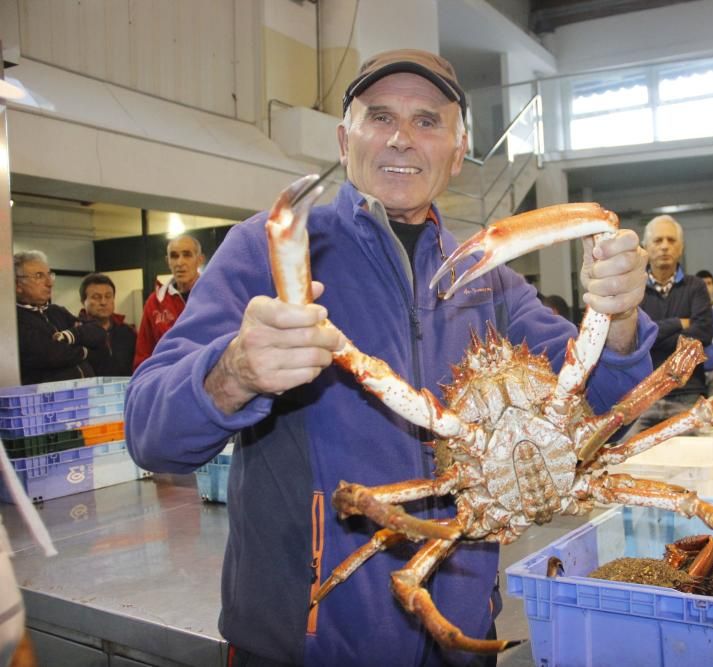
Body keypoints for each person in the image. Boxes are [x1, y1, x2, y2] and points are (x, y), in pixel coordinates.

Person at [125, 49, 653, 667]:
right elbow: (149, 433)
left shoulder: (492, 280)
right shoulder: (269, 252)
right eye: (380, 117)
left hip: (460, 639)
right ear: (345, 139)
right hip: (301, 640)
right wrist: (231, 372)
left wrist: (618, 320)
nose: (402, 138)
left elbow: (600, 404)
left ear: (458, 152)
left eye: (428, 121)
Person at [630, 215, 713, 432]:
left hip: (688, 393)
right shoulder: (634, 290)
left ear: (681, 247)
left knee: (693, 463)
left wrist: (653, 336)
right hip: (644, 395)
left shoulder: (695, 287)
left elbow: (703, 334)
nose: (665, 246)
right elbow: (635, 337)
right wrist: (679, 323)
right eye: (658, 241)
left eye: (671, 240)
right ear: (645, 247)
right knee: (638, 464)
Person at [14, 250, 106, 385]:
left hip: (85, 396)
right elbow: (51, 355)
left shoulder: (57, 312)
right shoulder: (14, 319)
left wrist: (70, 336)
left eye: (49, 275)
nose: (49, 283)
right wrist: (87, 351)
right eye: (39, 276)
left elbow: (98, 333)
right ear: (17, 285)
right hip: (47, 401)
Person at [132, 234, 204, 369]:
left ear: (199, 260)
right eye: (174, 256)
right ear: (168, 261)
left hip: (207, 377)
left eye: (187, 255)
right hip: (168, 379)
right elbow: (144, 352)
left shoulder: (214, 295)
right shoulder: (155, 303)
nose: (180, 262)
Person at [78, 273, 137, 377]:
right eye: (96, 297)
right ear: (83, 301)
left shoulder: (128, 333)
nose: (103, 302)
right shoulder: (77, 334)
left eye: (108, 296)